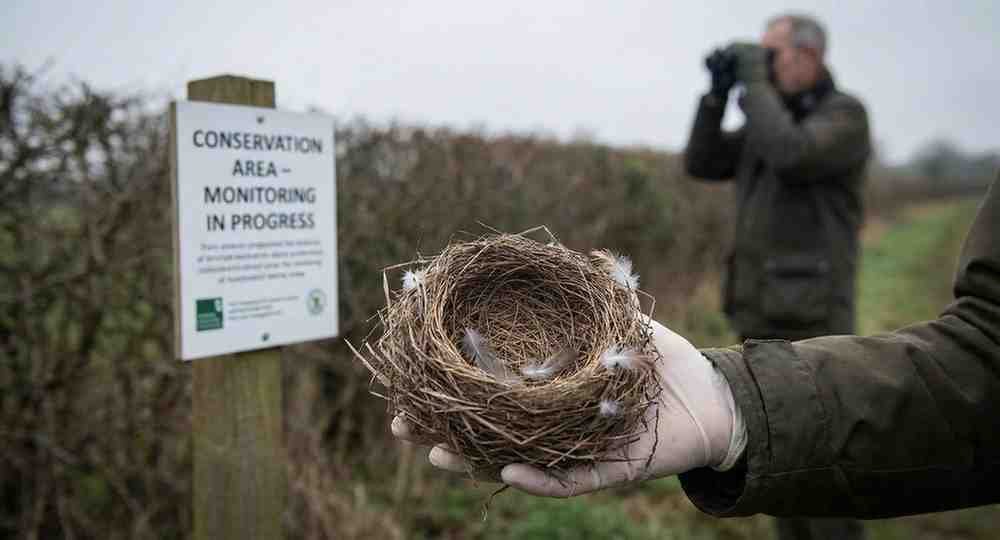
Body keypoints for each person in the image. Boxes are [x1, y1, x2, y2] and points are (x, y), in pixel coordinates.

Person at [395, 172, 999, 519]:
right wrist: (734, 404)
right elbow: (985, 357)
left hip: (813, 290)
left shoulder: (837, 124)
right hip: (771, 311)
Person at [685, 13, 870, 538]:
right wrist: (718, 94)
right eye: (759, 58)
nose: (762, 68)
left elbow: (793, 154)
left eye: (773, 55)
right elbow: (701, 162)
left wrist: (754, 85)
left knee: (825, 453)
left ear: (810, 56)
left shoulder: (844, 116)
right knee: (778, 451)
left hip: (814, 314)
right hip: (759, 308)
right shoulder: (767, 123)